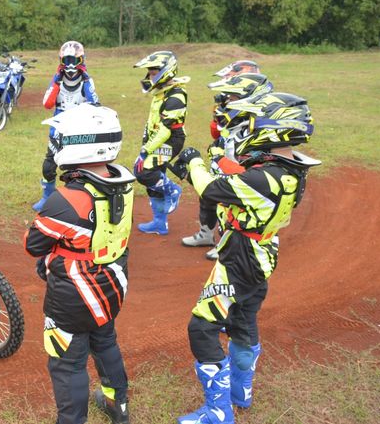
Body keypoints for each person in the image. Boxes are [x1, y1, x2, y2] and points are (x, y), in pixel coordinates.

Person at [169, 92, 319, 424]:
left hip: (240, 259)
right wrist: (219, 155)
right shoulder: (288, 169)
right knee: (242, 320)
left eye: (252, 121)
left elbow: (212, 190)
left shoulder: (262, 179)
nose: (247, 127)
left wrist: (193, 161)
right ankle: (241, 392)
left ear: (272, 128)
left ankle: (218, 413)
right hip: (262, 254)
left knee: (202, 327)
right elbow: (243, 176)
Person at [24, 104, 134, 424]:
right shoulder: (122, 182)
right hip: (112, 283)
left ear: (79, 143)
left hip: (73, 294)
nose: (55, 143)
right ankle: (117, 405)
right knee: (105, 342)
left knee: (68, 363)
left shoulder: (66, 199)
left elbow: (34, 245)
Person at [182, 73, 273, 260]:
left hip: (238, 177)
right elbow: (216, 133)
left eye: (233, 97)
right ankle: (205, 235)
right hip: (223, 167)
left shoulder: (259, 131)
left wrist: (220, 160)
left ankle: (226, 244)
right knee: (207, 198)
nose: (227, 100)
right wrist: (219, 115)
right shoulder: (238, 119)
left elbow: (252, 171)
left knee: (227, 207)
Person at [32, 41, 100, 212]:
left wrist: (85, 81)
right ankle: (47, 196)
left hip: (79, 127)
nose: (70, 65)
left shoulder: (87, 81)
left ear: (81, 60)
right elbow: (47, 104)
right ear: (61, 61)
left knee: (78, 165)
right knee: (49, 164)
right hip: (59, 127)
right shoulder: (57, 80)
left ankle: (80, 198)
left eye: (74, 60)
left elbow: (95, 103)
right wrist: (56, 81)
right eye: (67, 60)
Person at [132, 50, 189, 235]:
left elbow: (165, 130)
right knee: (155, 178)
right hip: (157, 138)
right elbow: (152, 122)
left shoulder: (176, 96)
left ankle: (173, 190)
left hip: (172, 140)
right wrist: (145, 141)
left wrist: (145, 151)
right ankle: (160, 223)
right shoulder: (161, 92)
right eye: (149, 72)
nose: (150, 75)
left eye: (154, 71)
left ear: (167, 70)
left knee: (143, 170)